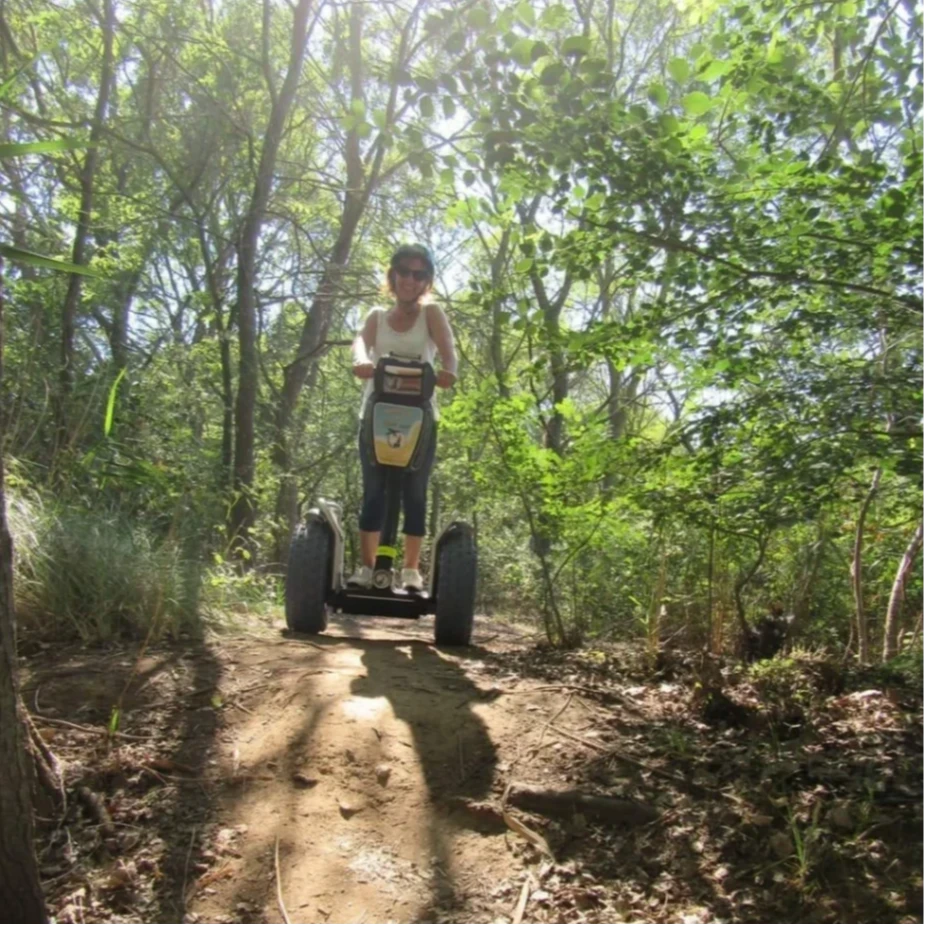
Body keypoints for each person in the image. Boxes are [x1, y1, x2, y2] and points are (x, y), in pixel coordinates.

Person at [348, 244, 458, 591]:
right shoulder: (377, 317)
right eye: (405, 272)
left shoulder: (432, 314)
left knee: (414, 490)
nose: (411, 280)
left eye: (419, 274)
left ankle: (411, 570)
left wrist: (449, 371)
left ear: (427, 281)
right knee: (374, 491)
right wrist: (361, 361)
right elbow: (359, 344)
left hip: (419, 417)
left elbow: (447, 350)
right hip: (376, 413)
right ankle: (368, 569)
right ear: (392, 275)